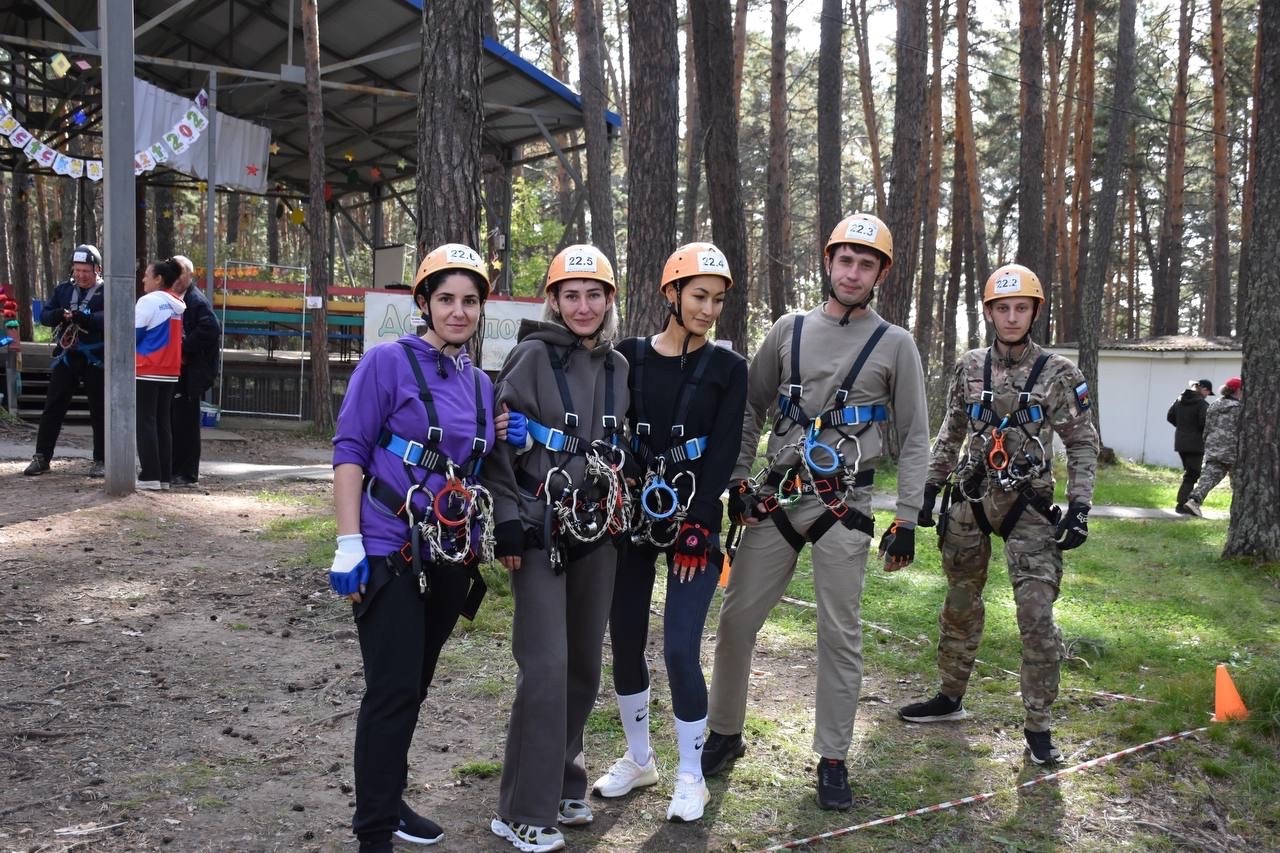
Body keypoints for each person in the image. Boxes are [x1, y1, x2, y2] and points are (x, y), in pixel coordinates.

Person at [702, 213, 931, 810]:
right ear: (828, 262)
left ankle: (832, 757)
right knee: (735, 621)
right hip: (777, 496)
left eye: (867, 263)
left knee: (840, 635)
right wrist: (735, 482)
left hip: (843, 505)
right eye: (845, 260)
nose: (853, 273)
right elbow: (749, 410)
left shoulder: (895, 344)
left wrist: (907, 517)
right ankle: (724, 732)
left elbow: (913, 437)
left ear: (880, 273)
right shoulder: (788, 331)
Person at [330, 243, 502, 853]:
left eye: (471, 301)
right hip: (387, 548)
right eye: (447, 299)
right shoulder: (385, 364)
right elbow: (351, 449)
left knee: (414, 684)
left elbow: (474, 462)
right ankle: (373, 830)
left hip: (449, 558)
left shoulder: (481, 384)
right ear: (424, 302)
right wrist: (349, 541)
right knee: (392, 688)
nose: (459, 311)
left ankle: (390, 798)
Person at [898, 263, 1099, 766]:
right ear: (989, 312)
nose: (1011, 317)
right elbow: (951, 431)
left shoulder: (1060, 374)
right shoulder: (969, 367)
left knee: (1036, 613)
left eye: (1020, 308)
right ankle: (949, 695)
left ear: (1034, 311)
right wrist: (929, 488)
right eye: (1002, 308)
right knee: (960, 602)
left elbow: (1081, 443)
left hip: (1027, 506)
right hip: (970, 499)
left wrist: (1078, 507)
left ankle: (1038, 724)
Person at [593, 242, 747, 822]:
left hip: (693, 525)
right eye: (699, 297)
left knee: (680, 647)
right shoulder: (628, 357)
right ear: (670, 295)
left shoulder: (729, 370)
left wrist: (703, 519)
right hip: (633, 519)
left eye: (717, 300)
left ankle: (690, 774)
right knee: (626, 639)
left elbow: (727, 446)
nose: (709, 309)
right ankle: (640, 759)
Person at [485, 244, 631, 853]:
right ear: (553, 299)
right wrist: (509, 521)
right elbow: (499, 448)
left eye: (593, 294)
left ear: (609, 301)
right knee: (544, 667)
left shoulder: (620, 367)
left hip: (597, 529)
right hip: (542, 527)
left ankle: (566, 778)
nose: (582, 305)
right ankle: (523, 809)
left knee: (581, 666)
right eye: (570, 295)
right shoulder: (530, 356)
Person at [24, 244, 107, 478]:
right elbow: (45, 316)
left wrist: (86, 318)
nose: (81, 275)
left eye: (86, 271)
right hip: (67, 357)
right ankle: (41, 457)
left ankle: (101, 459)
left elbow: (111, 316)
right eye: (77, 270)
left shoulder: (105, 292)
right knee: (53, 407)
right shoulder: (63, 291)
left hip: (95, 359)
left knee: (99, 410)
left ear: (97, 269)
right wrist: (60, 314)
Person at [169, 255, 221, 487]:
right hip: (177, 371)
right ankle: (173, 469)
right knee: (174, 421)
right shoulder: (171, 297)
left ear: (190, 276)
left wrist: (183, 345)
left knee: (187, 425)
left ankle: (187, 473)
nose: (176, 278)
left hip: (192, 373)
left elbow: (211, 329)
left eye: (180, 273)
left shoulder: (196, 300)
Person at [135, 258, 187, 490]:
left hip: (146, 368)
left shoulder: (148, 302)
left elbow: (133, 335)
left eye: (147, 275)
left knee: (145, 422)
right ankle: (164, 476)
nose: (143, 279)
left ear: (158, 279)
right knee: (163, 423)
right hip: (169, 370)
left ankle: (149, 475)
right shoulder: (176, 303)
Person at [1183, 376, 1242, 518]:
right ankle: (1238, 513)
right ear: (1238, 390)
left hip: (1213, 448)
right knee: (1240, 485)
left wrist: (1208, 444)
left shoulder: (1214, 405)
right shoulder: (1240, 408)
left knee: (1208, 479)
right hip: (1234, 451)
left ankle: (1194, 501)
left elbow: (1207, 427)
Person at [1166, 379, 1211, 513]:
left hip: (1180, 442)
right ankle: (1182, 504)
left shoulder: (1179, 400)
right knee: (1192, 474)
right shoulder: (1202, 404)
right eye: (1208, 391)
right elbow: (1205, 422)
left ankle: (1183, 503)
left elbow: (1170, 416)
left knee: (1190, 473)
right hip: (1196, 444)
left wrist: (1182, 428)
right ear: (1202, 389)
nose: (1208, 394)